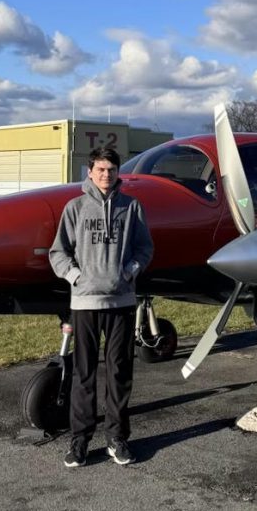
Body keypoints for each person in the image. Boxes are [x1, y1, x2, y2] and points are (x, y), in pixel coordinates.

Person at [49, 146, 154, 468]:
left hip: (121, 301)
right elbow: (58, 252)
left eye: (111, 169)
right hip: (85, 303)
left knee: (120, 373)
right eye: (100, 169)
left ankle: (117, 439)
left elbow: (144, 248)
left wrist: (129, 271)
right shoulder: (75, 208)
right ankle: (79, 441)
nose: (106, 175)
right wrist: (75, 276)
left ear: (118, 172)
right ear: (90, 172)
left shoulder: (131, 207)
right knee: (84, 374)